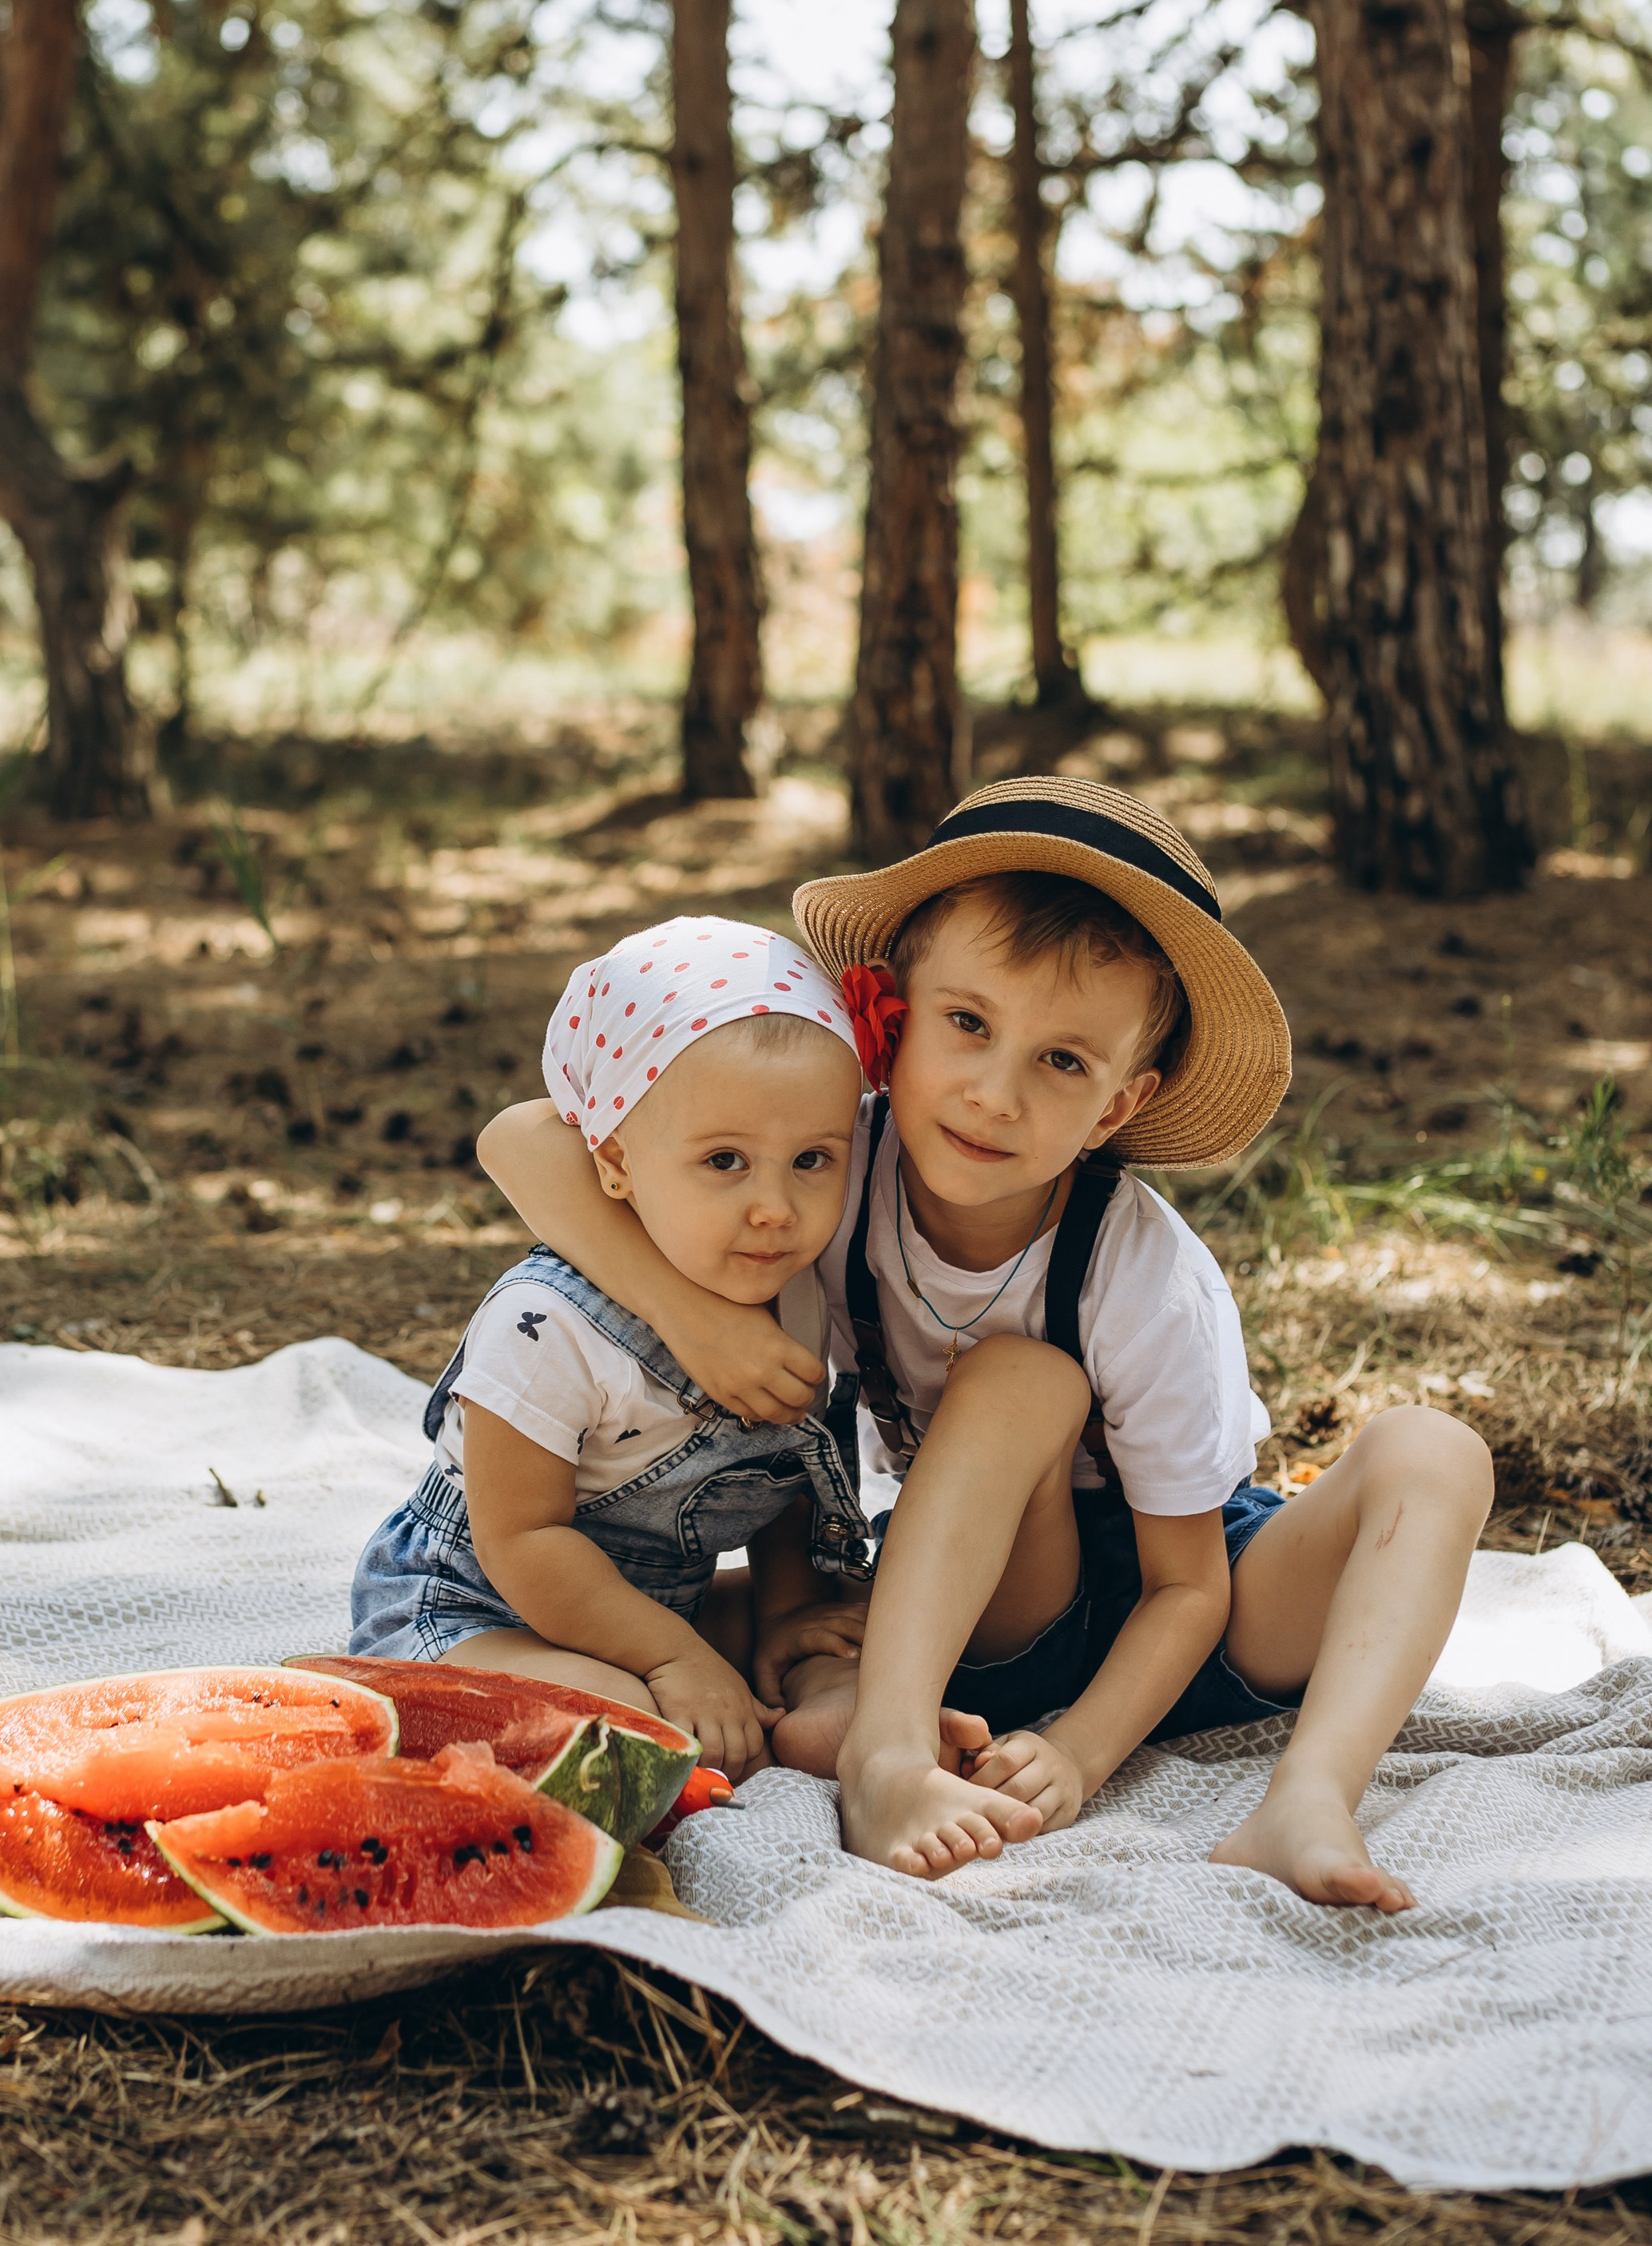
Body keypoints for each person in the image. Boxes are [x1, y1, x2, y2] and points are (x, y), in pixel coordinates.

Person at [478, 777, 1495, 1910]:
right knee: (1011, 1387)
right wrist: (696, 1320)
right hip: (1001, 1595)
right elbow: (521, 1138)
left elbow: (1188, 1588)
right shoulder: (822, 1165)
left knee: (1435, 1450)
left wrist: (1083, 1753)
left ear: (1117, 1106)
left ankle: (1310, 1794)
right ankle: (889, 1751)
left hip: (1204, 1608)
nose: (995, 1095)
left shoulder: (1140, 1272)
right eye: (967, 1025)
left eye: (1063, 1063)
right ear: (892, 1019)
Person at [347, 916, 876, 1783]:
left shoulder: (799, 1290)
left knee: (871, 1634)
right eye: (726, 1161)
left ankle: (791, 1681)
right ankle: (636, 1694)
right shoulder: (544, 1326)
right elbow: (523, 1540)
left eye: (813, 1159)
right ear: (617, 1161)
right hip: (477, 1607)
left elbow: (782, 1472)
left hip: (664, 1602)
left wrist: (786, 1612)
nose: (776, 1208)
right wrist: (676, 1660)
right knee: (622, 1726)